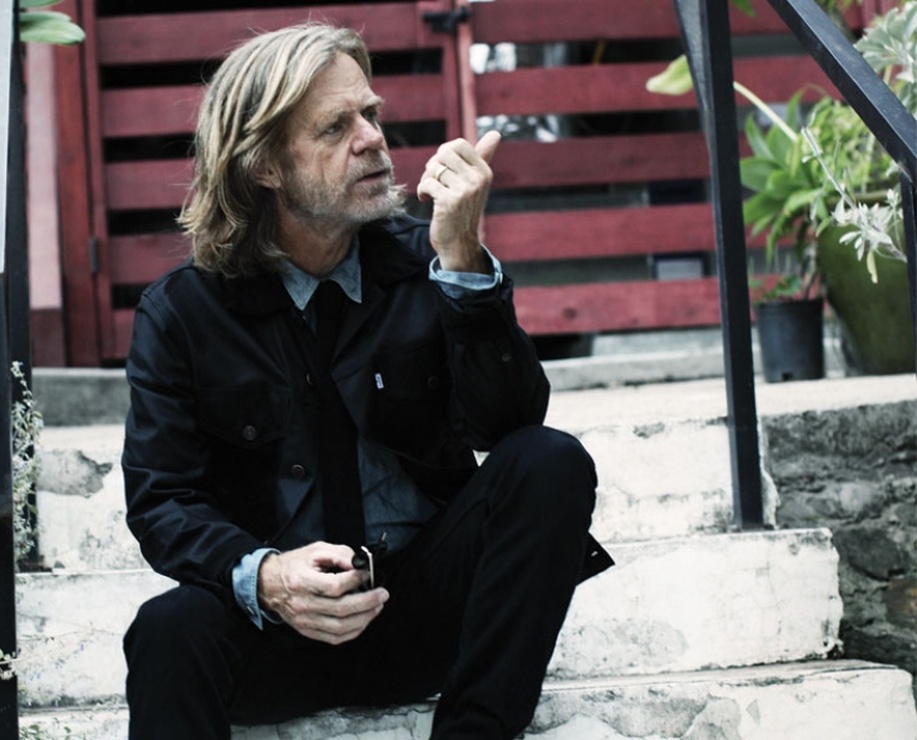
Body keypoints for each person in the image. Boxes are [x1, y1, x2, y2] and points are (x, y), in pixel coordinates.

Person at [121, 22, 612, 740]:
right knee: (166, 631)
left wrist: (463, 260)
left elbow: (510, 427)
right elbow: (162, 501)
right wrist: (268, 578)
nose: (373, 138)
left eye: (371, 114)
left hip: (426, 610)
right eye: (335, 127)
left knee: (549, 459)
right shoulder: (183, 313)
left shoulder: (427, 262)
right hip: (279, 626)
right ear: (264, 165)